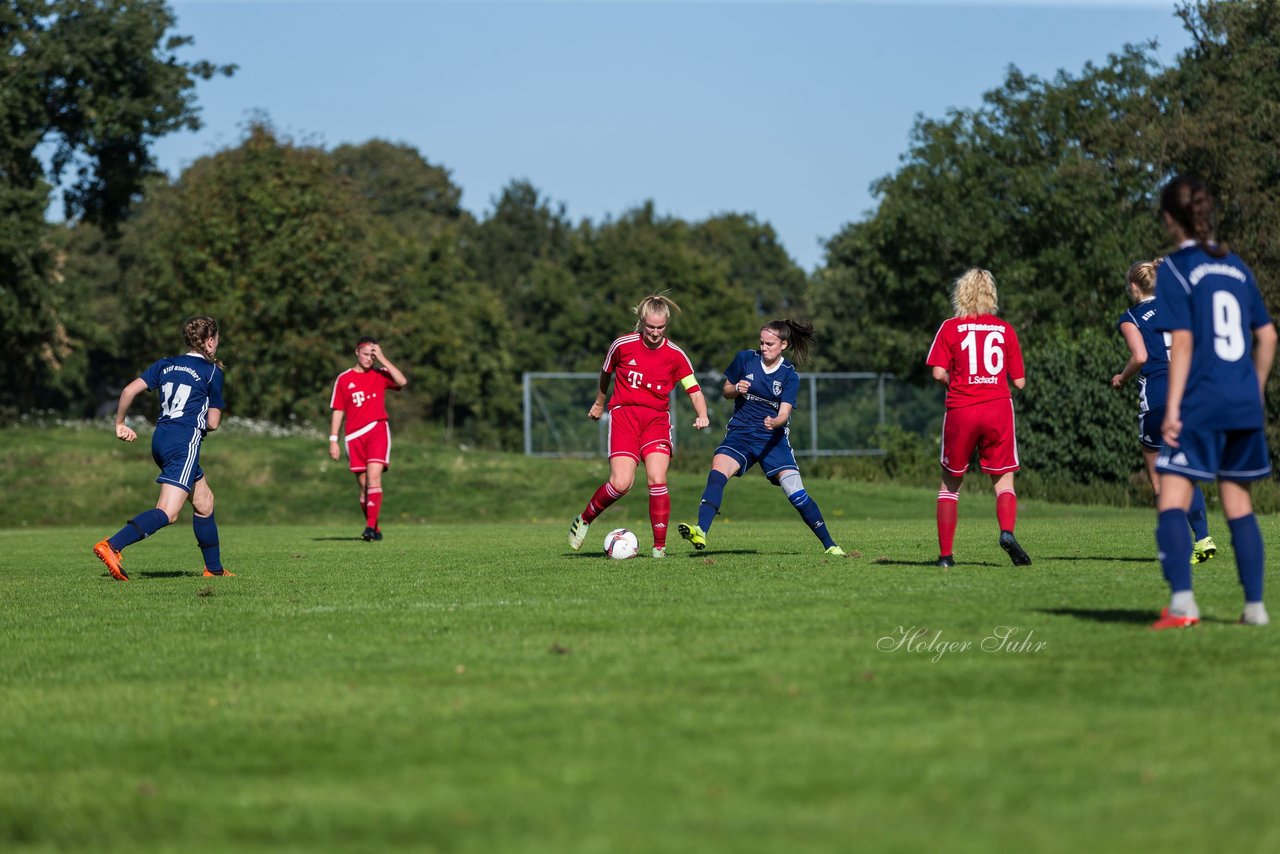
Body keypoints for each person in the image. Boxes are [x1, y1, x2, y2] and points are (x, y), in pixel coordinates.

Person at [1150, 175, 1276, 629]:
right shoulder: (1236, 266)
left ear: (1169, 218)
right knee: (1238, 503)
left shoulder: (1175, 268)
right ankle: (1255, 609)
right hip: (1242, 402)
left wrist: (1175, 406)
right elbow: (1267, 336)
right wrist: (1255, 389)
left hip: (1201, 401)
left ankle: (1183, 604)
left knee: (1172, 495)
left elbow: (1182, 343)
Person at [677, 320, 846, 556]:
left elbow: (784, 413)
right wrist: (736, 388)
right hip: (741, 433)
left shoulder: (789, 375)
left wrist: (775, 421)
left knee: (796, 493)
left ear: (783, 345)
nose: (764, 347)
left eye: (770, 344)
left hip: (772, 440)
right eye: (761, 342)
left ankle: (831, 545)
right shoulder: (745, 359)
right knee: (718, 471)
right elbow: (726, 391)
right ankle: (701, 531)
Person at [568, 294, 710, 558]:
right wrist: (599, 404)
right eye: (650, 327)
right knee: (621, 484)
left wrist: (702, 413)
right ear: (642, 322)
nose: (655, 333)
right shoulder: (622, 345)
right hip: (625, 418)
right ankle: (585, 519)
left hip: (656, 421)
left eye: (660, 328)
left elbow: (694, 389)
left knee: (657, 479)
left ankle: (659, 549)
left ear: (666, 325)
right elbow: (606, 374)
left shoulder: (676, 355)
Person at [92, 316, 231, 580]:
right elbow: (213, 422)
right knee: (168, 511)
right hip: (184, 442)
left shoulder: (166, 364)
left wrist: (120, 423)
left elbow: (128, 391)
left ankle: (214, 569)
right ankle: (112, 545)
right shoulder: (213, 372)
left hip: (161, 438)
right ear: (211, 342)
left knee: (204, 502)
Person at [1111, 259, 1216, 564]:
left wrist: (1121, 376)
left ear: (1134, 287)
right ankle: (1203, 538)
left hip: (1158, 397)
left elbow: (1140, 355)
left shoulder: (1131, 316)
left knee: (1158, 479)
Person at [925, 268, 1031, 567]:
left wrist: (958, 381)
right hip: (998, 407)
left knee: (949, 486)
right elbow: (1020, 382)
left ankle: (946, 557)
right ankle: (1007, 532)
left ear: (961, 293)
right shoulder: (1005, 329)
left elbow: (937, 372)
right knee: (1004, 481)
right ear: (991, 295)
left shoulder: (950, 327)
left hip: (962, 407)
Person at [330, 337, 408, 541]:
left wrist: (382, 358)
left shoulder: (380, 373)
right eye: (366, 354)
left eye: (372, 355)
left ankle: (369, 527)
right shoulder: (344, 379)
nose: (369, 359)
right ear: (357, 352)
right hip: (354, 436)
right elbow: (338, 409)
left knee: (374, 478)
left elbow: (402, 381)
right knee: (364, 488)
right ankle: (375, 528)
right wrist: (333, 439)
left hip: (377, 430)